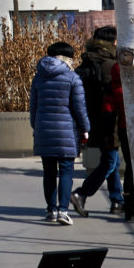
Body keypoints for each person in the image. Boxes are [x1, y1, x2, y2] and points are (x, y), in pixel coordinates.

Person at [28, 42, 89, 224]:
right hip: (66, 132)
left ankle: (51, 210)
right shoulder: (73, 78)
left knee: (48, 172)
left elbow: (33, 107)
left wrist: (36, 126)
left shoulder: (38, 78)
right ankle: (63, 210)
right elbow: (79, 108)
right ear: (68, 57)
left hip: (43, 129)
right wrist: (85, 128)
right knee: (66, 171)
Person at [71, 27, 124, 218]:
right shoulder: (110, 65)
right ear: (112, 42)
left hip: (91, 120)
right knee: (110, 161)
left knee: (112, 161)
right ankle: (82, 193)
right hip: (109, 121)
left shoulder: (86, 62)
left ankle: (117, 201)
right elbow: (115, 97)